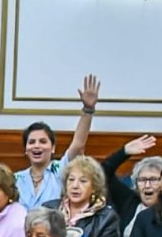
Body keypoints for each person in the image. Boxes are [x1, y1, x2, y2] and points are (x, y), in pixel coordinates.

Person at [15, 75, 100, 209]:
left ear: (53, 148)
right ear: (26, 149)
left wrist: (88, 110)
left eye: (43, 141)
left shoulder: (61, 170)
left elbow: (78, 145)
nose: (36, 145)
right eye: (31, 142)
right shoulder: (16, 179)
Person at [42, 155, 122, 237]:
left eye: (83, 181)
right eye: (71, 180)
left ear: (94, 187)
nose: (75, 186)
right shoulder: (48, 209)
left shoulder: (106, 217)